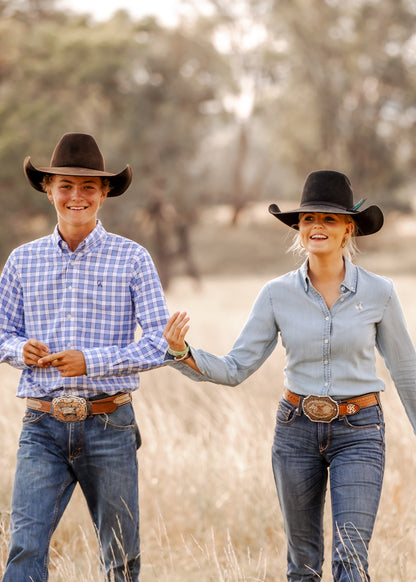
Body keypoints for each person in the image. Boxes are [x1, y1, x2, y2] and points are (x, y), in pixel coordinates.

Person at [163, 170, 416, 581]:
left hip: (360, 431)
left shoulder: (380, 292)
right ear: (299, 228)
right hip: (295, 432)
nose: (317, 226)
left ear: (348, 228)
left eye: (329, 219)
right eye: (309, 219)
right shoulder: (275, 294)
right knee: (303, 565)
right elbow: (234, 369)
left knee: (351, 557)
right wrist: (182, 352)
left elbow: (406, 370)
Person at [0, 132, 169, 582]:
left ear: (105, 192)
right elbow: (2, 333)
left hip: (109, 424)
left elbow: (159, 343)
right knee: (24, 549)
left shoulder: (133, 259)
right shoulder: (21, 261)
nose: (77, 196)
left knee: (120, 556)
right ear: (48, 189)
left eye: (88, 187)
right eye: (66, 186)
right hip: (42, 425)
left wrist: (91, 362)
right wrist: (21, 350)